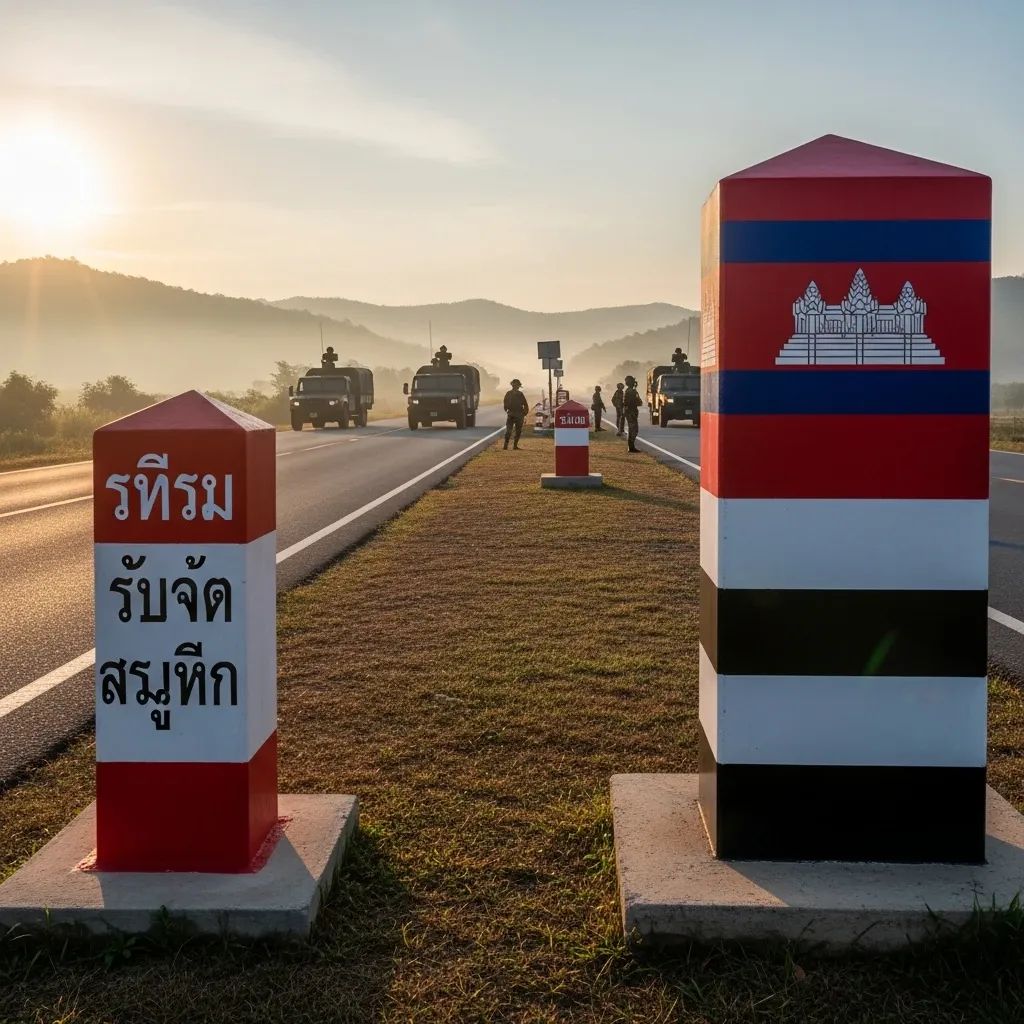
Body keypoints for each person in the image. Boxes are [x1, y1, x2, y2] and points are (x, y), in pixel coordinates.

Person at [503, 378, 529, 450]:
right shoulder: (519, 394)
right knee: (514, 431)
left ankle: (508, 445)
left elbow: (505, 403)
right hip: (516, 414)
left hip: (514, 414)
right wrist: (525, 413)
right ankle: (512, 446)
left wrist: (524, 413)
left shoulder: (510, 393)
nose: (516, 387)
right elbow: (525, 404)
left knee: (511, 430)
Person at [623, 375, 642, 453]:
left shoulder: (630, 390)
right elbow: (637, 402)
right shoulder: (631, 391)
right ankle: (631, 447)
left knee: (632, 430)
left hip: (630, 412)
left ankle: (631, 447)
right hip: (631, 412)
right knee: (634, 430)